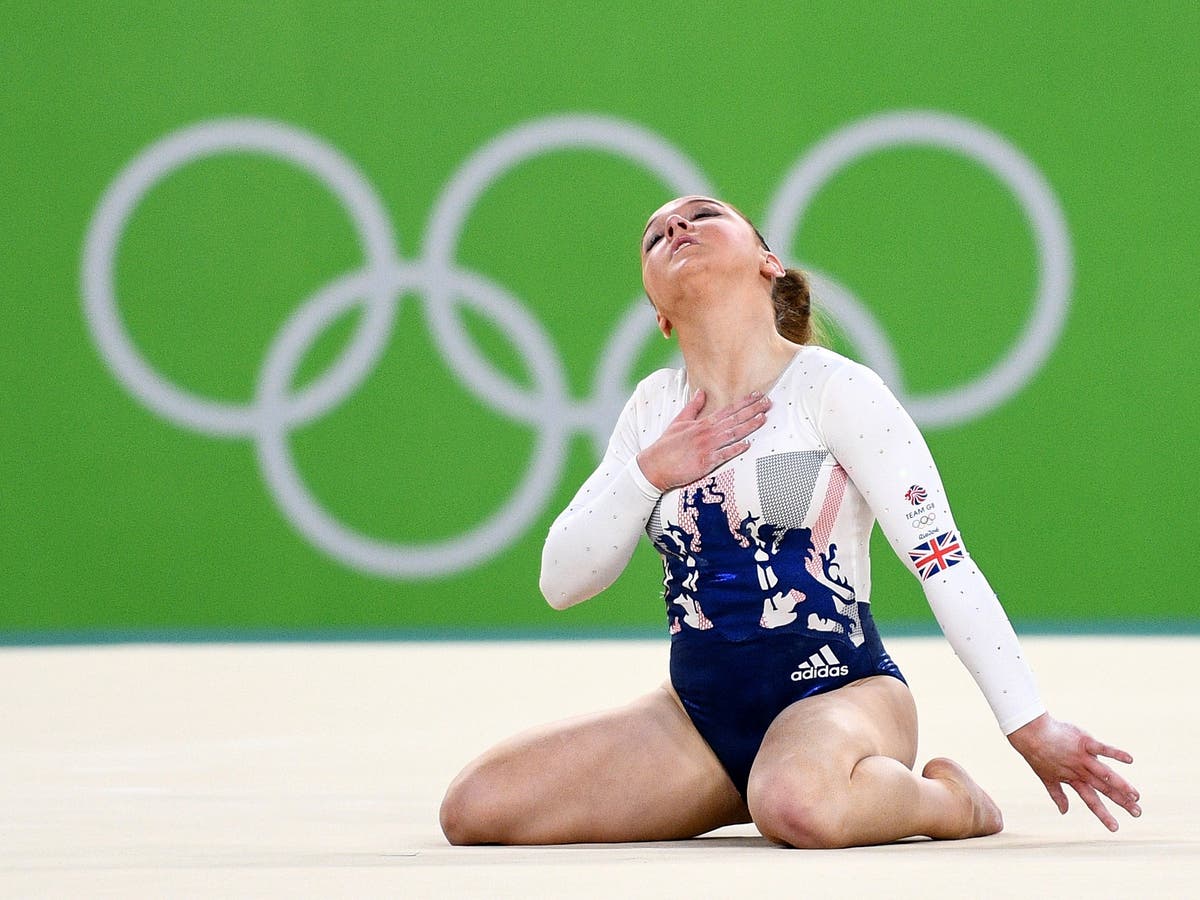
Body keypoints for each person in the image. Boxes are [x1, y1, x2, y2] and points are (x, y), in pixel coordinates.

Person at [439, 195, 1140, 848]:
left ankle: (951, 802)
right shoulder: (653, 411)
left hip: (844, 692)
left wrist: (1029, 723)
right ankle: (749, 783)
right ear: (658, 313)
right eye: (655, 236)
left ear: (767, 261)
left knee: (796, 805)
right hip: (696, 718)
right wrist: (648, 474)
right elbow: (562, 581)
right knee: (473, 808)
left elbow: (942, 562)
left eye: (702, 216)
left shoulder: (836, 391)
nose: (675, 229)